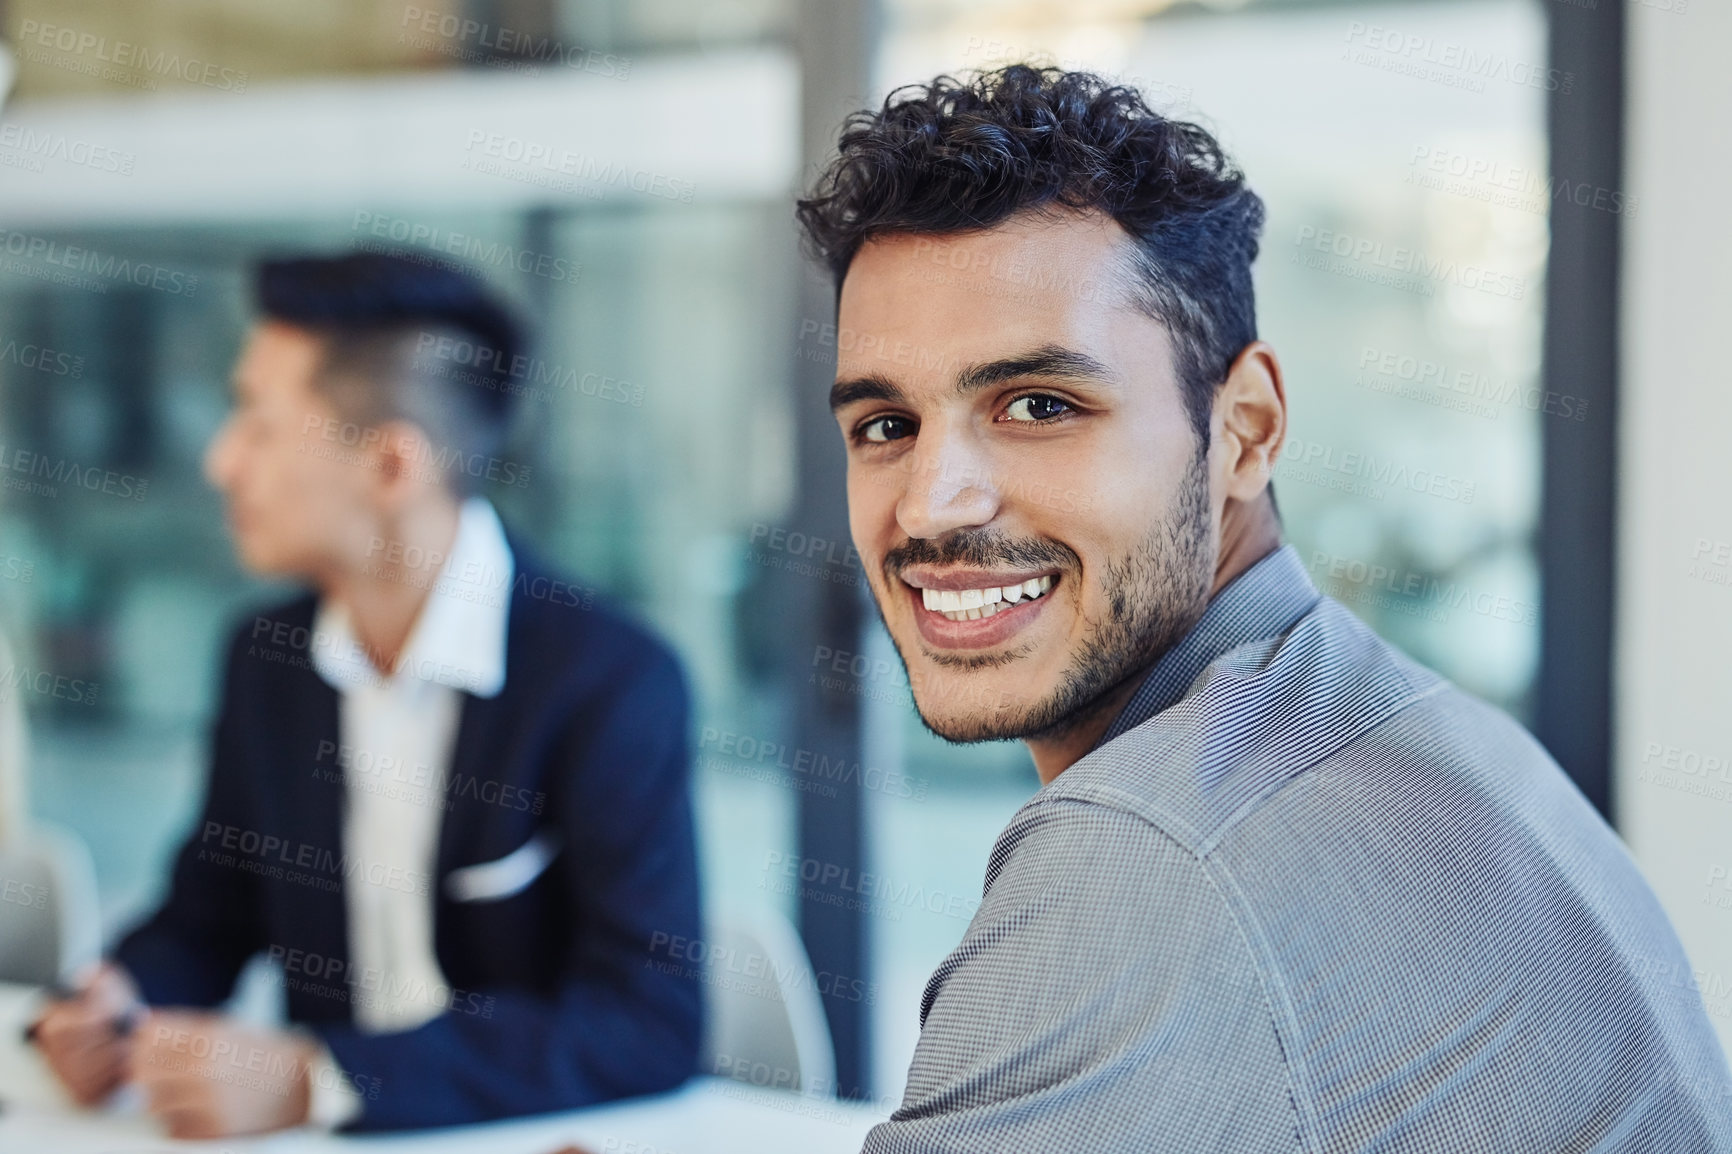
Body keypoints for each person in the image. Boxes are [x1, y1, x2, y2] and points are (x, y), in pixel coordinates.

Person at [797, 66, 1732, 1150]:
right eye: (884, 424)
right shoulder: (1405, 726)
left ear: (1243, 428)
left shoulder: (1145, 850)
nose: (931, 504)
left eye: (1038, 404)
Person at [27, 252, 702, 1137]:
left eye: (258, 424)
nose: (222, 461)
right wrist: (117, 1003)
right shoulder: (266, 657)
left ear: (390, 466)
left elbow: (646, 1023)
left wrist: (323, 1078)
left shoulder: (610, 679)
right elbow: (210, 915)